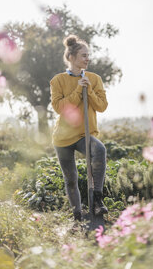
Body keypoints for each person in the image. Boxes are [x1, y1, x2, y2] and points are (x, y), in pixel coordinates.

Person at [50, 34, 108, 222]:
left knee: (99, 149)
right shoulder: (57, 81)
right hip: (63, 139)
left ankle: (97, 201)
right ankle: (77, 216)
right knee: (71, 179)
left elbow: (102, 106)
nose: (87, 58)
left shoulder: (95, 78)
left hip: (84, 134)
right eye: (83, 55)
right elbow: (60, 109)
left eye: (88, 55)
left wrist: (88, 89)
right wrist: (77, 90)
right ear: (71, 57)